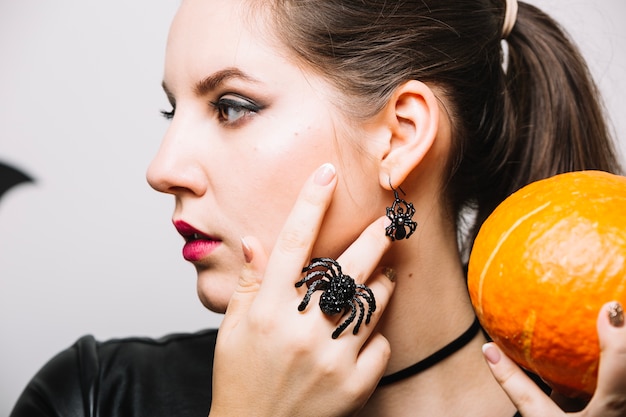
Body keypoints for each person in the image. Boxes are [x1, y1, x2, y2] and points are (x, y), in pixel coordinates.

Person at [10, 0, 626, 416]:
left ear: (401, 135)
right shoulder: (98, 396)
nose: (162, 169)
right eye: (173, 112)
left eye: (231, 106)